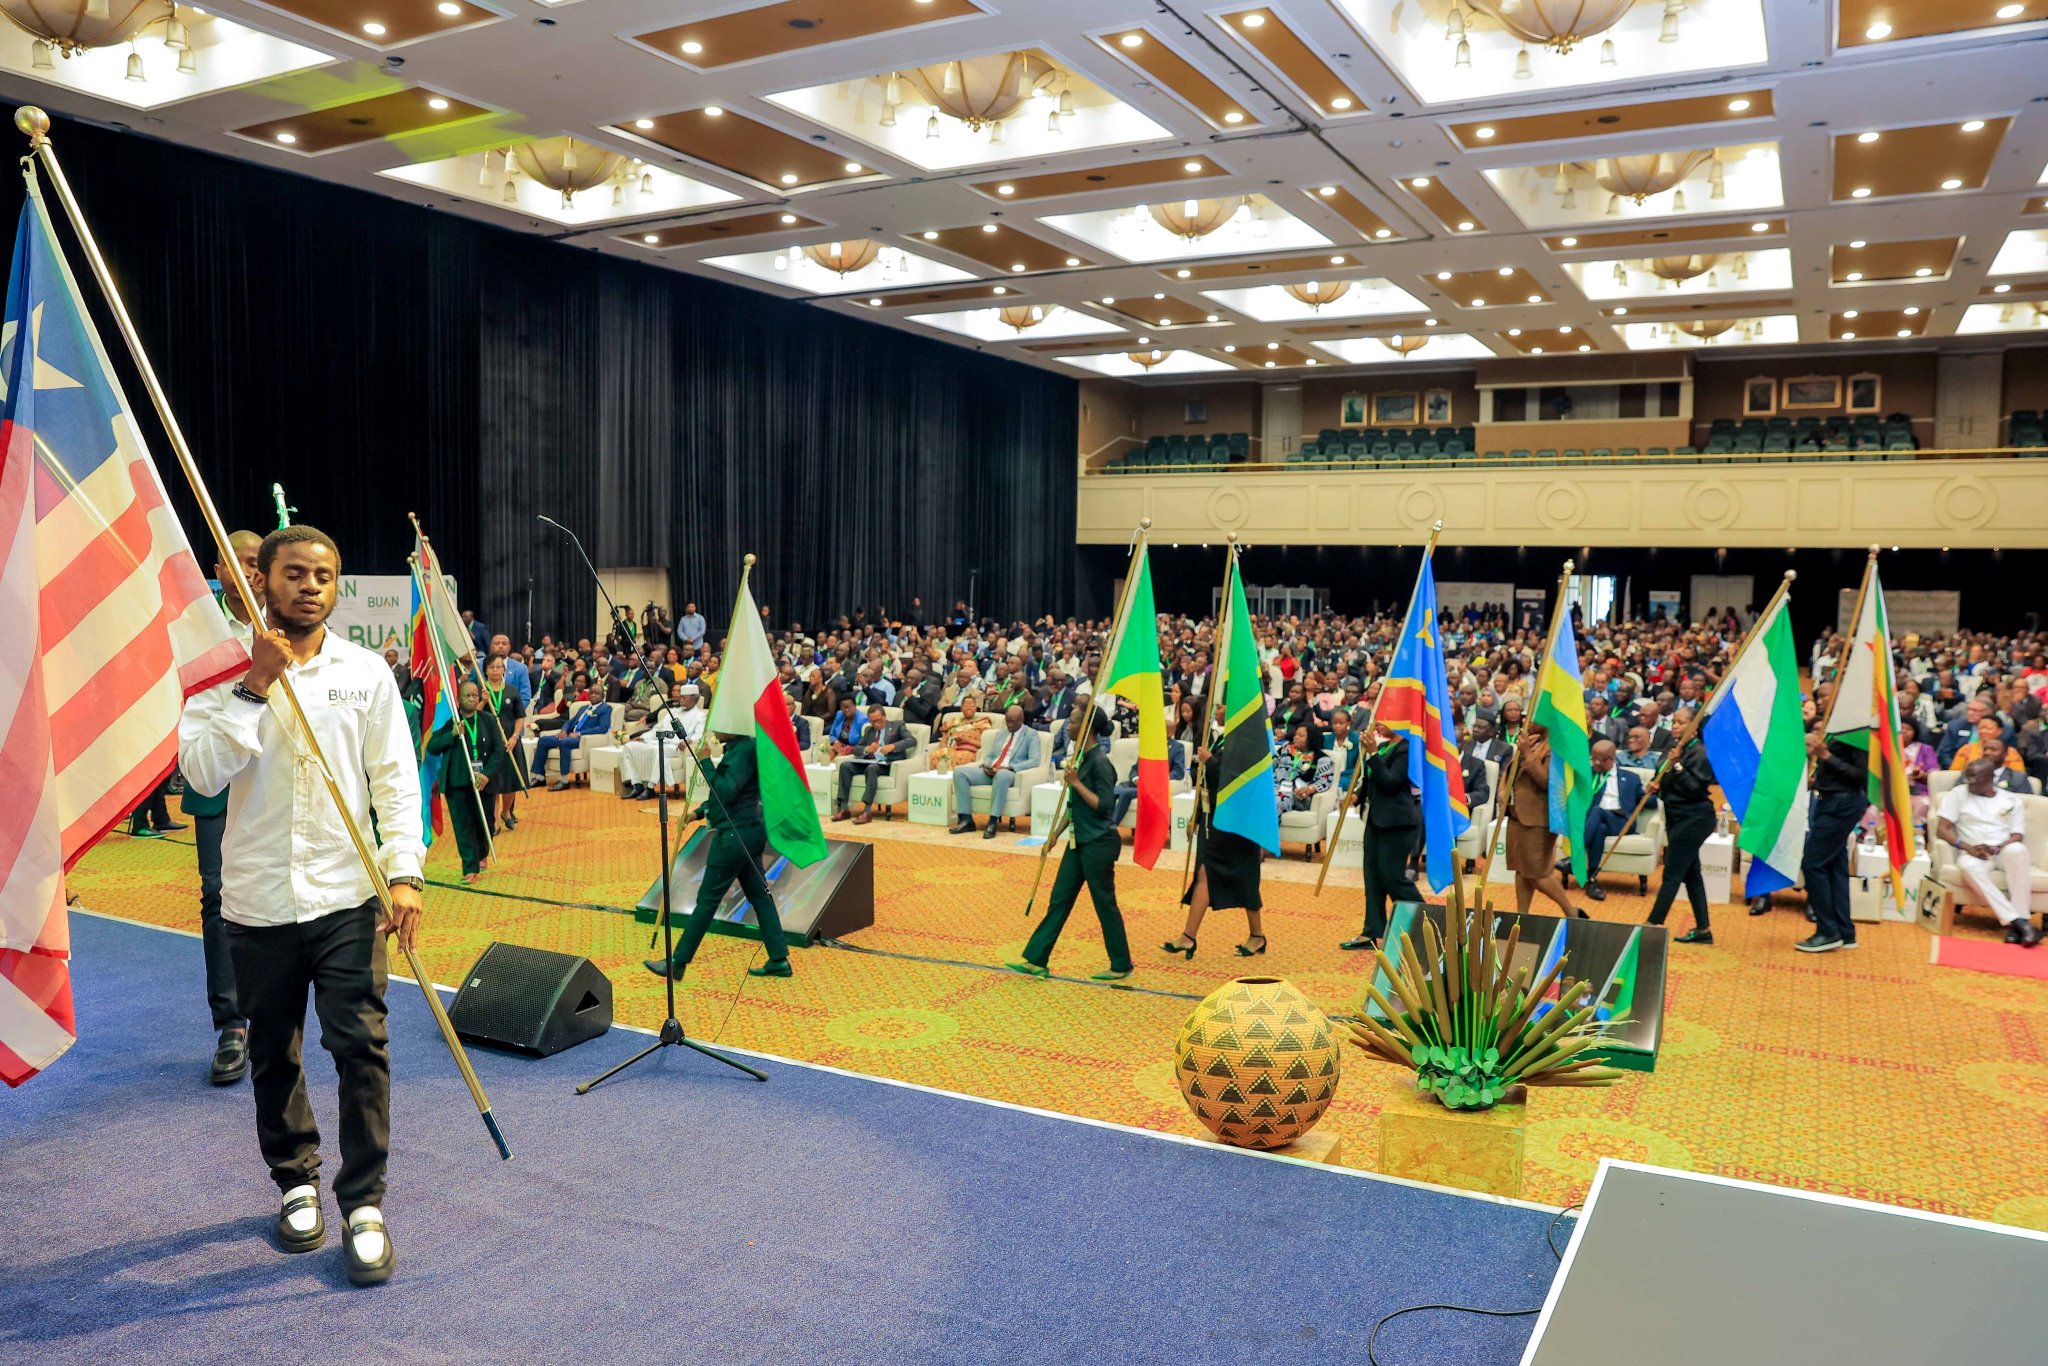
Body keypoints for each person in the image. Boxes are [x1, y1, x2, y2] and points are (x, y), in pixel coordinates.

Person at [177, 524, 424, 1288]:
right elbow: (202, 777)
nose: (310, 585)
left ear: (337, 587)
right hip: (255, 904)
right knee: (272, 1052)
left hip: (348, 898)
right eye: (294, 572)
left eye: (324, 574)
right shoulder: (219, 673)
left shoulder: (366, 674)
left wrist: (405, 873)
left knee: (361, 1050)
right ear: (263, 581)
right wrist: (255, 684)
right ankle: (295, 1185)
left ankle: (366, 1204)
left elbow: (395, 779)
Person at [188, 528, 264, 1086]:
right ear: (217, 568)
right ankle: (232, 1023)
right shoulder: (199, 629)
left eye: (258, 560)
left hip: (276, 781)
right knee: (220, 897)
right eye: (237, 560)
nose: (249, 570)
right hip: (217, 783)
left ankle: (280, 1015)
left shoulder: (289, 624)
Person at [644, 725, 794, 980]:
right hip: (748, 831)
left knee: (707, 901)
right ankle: (779, 960)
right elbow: (734, 795)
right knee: (760, 897)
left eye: (721, 724)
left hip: (733, 837)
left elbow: (724, 791)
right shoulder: (742, 748)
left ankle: (678, 963)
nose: (715, 730)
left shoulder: (742, 751)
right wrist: (698, 813)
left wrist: (704, 761)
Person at [1008, 706, 1130, 981]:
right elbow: (1074, 804)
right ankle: (1037, 959)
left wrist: (1077, 782)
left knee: (1104, 904)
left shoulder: (1100, 763)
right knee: (1059, 899)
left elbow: (1104, 806)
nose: (1067, 726)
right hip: (1078, 841)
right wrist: (1054, 835)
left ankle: (1121, 964)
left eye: (1073, 722)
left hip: (1098, 842)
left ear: (1086, 728)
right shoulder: (1081, 758)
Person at [1163, 708, 1264, 960]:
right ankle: (1188, 936)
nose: (1217, 710)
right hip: (1214, 822)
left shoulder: (1247, 743)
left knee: (1245, 879)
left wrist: (1209, 760)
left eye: (1222, 706)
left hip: (1237, 826)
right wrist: (1196, 816)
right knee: (1204, 875)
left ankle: (1257, 935)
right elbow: (1207, 784)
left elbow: (1234, 780)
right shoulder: (1221, 738)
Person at [1936, 758, 2043, 946]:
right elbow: (1942, 829)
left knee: (2018, 851)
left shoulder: (2010, 799)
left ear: (1990, 778)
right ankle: (2019, 923)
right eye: (1967, 778)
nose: (1969, 783)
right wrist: (1968, 847)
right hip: (1973, 850)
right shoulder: (1958, 794)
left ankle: (2019, 923)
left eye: (1974, 779)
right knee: (1967, 866)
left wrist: (1998, 847)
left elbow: (2017, 834)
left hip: (2001, 849)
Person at [1343, 722, 1425, 951]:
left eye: (1385, 719)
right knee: (1373, 877)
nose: (1378, 723)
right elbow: (1372, 779)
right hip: (1376, 820)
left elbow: (1390, 782)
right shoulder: (1386, 746)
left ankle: (1428, 921)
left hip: (1399, 823)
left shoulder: (1408, 749)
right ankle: (1372, 931)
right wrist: (1357, 795)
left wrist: (1372, 754)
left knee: (1392, 877)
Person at [1643, 731, 1716, 943]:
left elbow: (1695, 788)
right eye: (1674, 721)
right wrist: (1655, 786)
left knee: (1672, 874)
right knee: (1692, 876)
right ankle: (1703, 930)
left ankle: (1652, 925)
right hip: (1674, 816)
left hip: (1695, 818)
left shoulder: (1700, 752)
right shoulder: (1673, 748)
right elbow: (1662, 774)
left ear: (1692, 728)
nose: (1676, 725)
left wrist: (1676, 766)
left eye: (1682, 722)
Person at [1506, 721, 1583, 919]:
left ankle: (1570, 911)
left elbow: (1548, 782)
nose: (1527, 721)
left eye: (1532, 717)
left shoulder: (1558, 747)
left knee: (1538, 874)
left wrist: (1527, 753)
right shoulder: (1532, 741)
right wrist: (1501, 790)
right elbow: (1510, 769)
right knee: (1521, 870)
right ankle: (1522, 916)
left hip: (1539, 818)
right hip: (1517, 814)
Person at [1800, 731, 1868, 952]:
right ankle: (1844, 931)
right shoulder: (1835, 731)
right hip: (1831, 801)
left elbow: (1860, 776)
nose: (1820, 700)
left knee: (1812, 863)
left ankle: (1827, 931)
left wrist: (1826, 756)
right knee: (1835, 867)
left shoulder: (1857, 734)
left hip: (1841, 805)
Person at [427, 680, 500, 884]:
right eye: (467, 695)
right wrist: (451, 735)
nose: (472, 699)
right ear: (458, 699)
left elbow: (498, 750)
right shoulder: (451, 722)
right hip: (457, 782)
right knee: (463, 826)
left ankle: (482, 852)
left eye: (475, 695)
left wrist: (487, 774)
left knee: (485, 823)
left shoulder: (488, 720)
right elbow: (432, 747)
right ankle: (470, 867)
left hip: (483, 782)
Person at [1569, 738, 1653, 901]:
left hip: (1621, 822)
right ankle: (1592, 880)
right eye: (1592, 758)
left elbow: (1648, 802)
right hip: (1596, 822)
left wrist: (1651, 792)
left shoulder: (1631, 778)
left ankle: (1574, 857)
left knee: (1598, 812)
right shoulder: (1588, 774)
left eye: (1598, 759)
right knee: (1599, 828)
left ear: (1610, 759)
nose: (1594, 763)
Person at [950, 704, 1042, 837]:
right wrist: (987, 765)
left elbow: (1034, 760)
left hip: (1009, 773)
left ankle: (992, 821)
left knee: (1002, 774)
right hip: (991, 771)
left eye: (1012, 722)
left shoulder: (1031, 735)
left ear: (1021, 720)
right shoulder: (1001, 733)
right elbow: (990, 755)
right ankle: (966, 820)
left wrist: (1010, 767)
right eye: (1007, 721)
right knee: (959, 772)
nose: (1008, 725)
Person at [621, 683, 705, 802]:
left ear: (694, 699)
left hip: (674, 746)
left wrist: (688, 741)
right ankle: (637, 785)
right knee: (630, 746)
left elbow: (700, 735)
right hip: (658, 741)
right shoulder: (673, 712)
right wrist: (643, 738)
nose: (680, 699)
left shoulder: (700, 716)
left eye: (683, 697)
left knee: (658, 751)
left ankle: (650, 788)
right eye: (680, 696)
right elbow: (657, 728)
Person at [833, 704, 915, 824]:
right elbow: (857, 749)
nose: (876, 724)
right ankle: (844, 808)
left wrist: (893, 746)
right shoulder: (869, 731)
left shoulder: (897, 726)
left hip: (887, 764)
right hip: (870, 761)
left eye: (878, 720)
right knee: (845, 766)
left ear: (884, 716)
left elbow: (911, 740)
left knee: (872, 768)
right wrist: (867, 749)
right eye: (872, 722)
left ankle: (867, 811)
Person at [480, 656, 527, 832]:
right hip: (489, 742)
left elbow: (520, 717)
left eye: (498, 667)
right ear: (485, 670)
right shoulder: (480, 690)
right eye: (491, 667)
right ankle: (494, 820)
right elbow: (473, 714)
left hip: (510, 741)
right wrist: (483, 701)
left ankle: (506, 812)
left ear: (503, 670)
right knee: (493, 782)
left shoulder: (512, 691)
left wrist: (515, 737)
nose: (495, 670)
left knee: (511, 780)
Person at [531, 694, 614, 790]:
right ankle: (540, 777)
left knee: (565, 743)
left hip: (582, 738)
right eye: (591, 693)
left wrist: (579, 734)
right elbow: (569, 722)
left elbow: (602, 728)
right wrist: (564, 730)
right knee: (543, 740)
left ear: (602, 696)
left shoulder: (605, 708)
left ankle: (564, 780)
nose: (593, 695)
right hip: (569, 735)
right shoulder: (583, 708)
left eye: (596, 693)